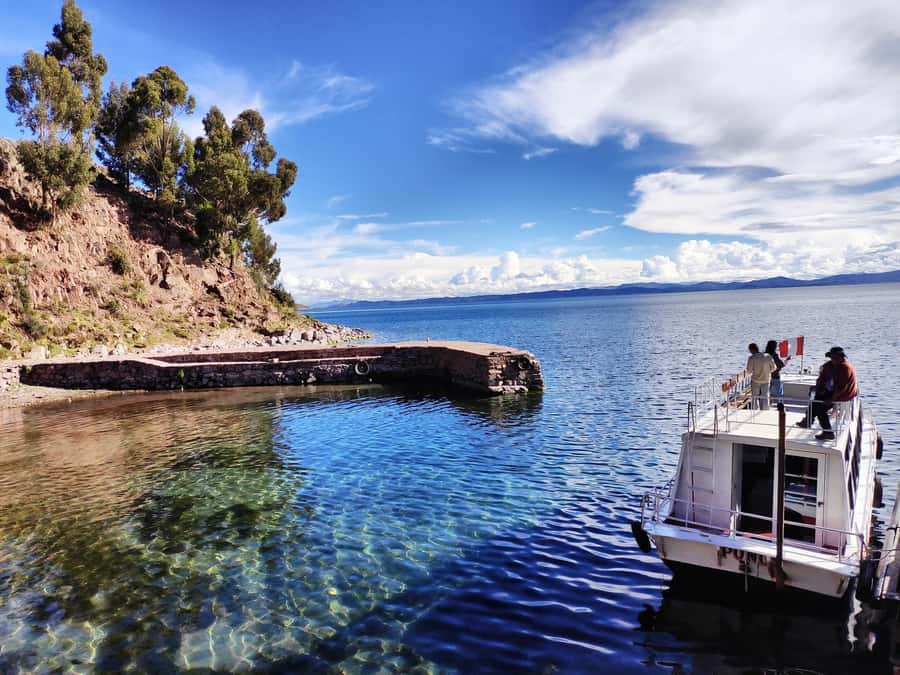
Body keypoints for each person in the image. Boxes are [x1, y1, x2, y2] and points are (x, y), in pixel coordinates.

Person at [795, 347, 856, 440]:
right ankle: (807, 421)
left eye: (835, 357)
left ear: (841, 357)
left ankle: (828, 432)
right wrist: (818, 387)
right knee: (816, 400)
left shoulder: (845, 368)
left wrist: (831, 399)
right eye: (832, 357)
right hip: (831, 390)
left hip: (843, 394)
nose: (833, 359)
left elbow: (843, 388)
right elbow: (821, 378)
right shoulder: (829, 365)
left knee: (821, 408)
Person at [746, 342, 776, 410]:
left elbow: (749, 370)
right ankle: (765, 411)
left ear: (751, 350)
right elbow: (774, 368)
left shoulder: (751, 358)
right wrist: (767, 372)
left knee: (754, 397)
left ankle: (754, 410)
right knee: (765, 396)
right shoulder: (768, 356)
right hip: (766, 379)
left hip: (755, 380)